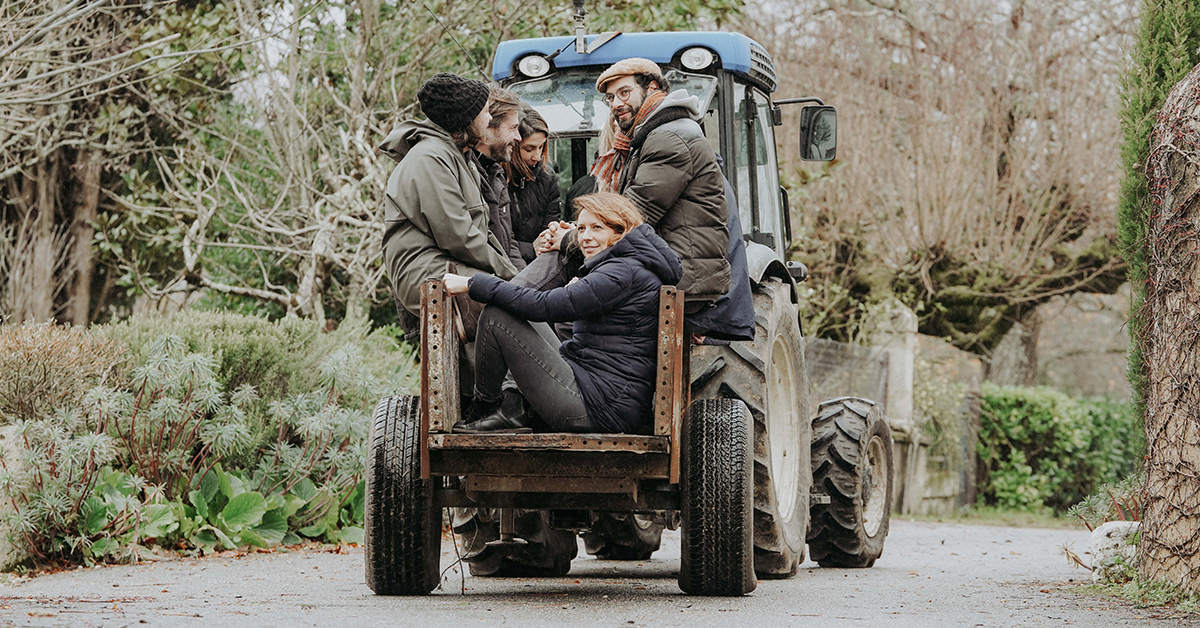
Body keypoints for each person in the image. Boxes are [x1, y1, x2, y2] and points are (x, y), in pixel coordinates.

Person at [538, 57, 753, 340]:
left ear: (651, 87)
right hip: (669, 270)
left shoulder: (669, 139)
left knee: (569, 318)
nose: (615, 104)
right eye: (610, 98)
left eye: (624, 92)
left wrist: (568, 240)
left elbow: (629, 220)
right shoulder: (656, 136)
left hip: (677, 279)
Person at [443, 192, 682, 434]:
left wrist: (473, 284)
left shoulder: (621, 274)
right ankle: (506, 408)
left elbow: (544, 306)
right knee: (504, 311)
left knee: (497, 317)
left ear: (620, 232)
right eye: (581, 229)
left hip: (599, 408)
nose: (586, 237)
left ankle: (486, 407)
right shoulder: (627, 266)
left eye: (597, 228)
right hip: (598, 394)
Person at [378, 73, 520, 349]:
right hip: (427, 271)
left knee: (520, 299)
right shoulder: (431, 157)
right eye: (484, 112)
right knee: (511, 306)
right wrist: (512, 278)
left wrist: (514, 276)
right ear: (465, 119)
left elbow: (480, 232)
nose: (490, 118)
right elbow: (458, 236)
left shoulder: (455, 155)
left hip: (447, 264)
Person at [473, 86, 526, 271]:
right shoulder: (463, 173)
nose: (518, 138)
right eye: (513, 128)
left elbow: (507, 241)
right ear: (489, 127)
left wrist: (525, 282)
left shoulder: (495, 173)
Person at [506, 105, 561, 264]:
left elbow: (551, 223)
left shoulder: (548, 178)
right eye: (529, 149)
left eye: (541, 147)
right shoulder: (497, 178)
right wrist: (530, 248)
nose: (537, 156)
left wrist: (546, 239)